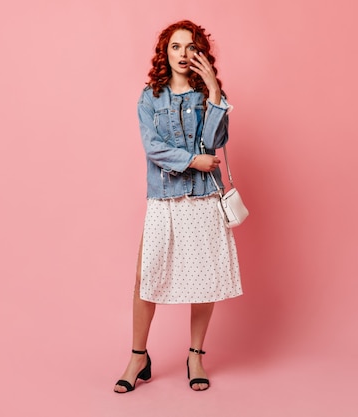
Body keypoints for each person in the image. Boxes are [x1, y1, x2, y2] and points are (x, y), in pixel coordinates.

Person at [113, 20, 243, 393]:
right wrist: (192, 161)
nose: (183, 54)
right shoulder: (150, 97)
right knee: (146, 278)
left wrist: (216, 91)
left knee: (203, 282)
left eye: (190, 47)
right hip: (166, 196)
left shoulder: (206, 97)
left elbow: (215, 140)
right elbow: (153, 148)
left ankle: (195, 354)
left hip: (203, 196)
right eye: (175, 47)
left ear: (199, 53)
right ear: (165, 53)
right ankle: (139, 356)